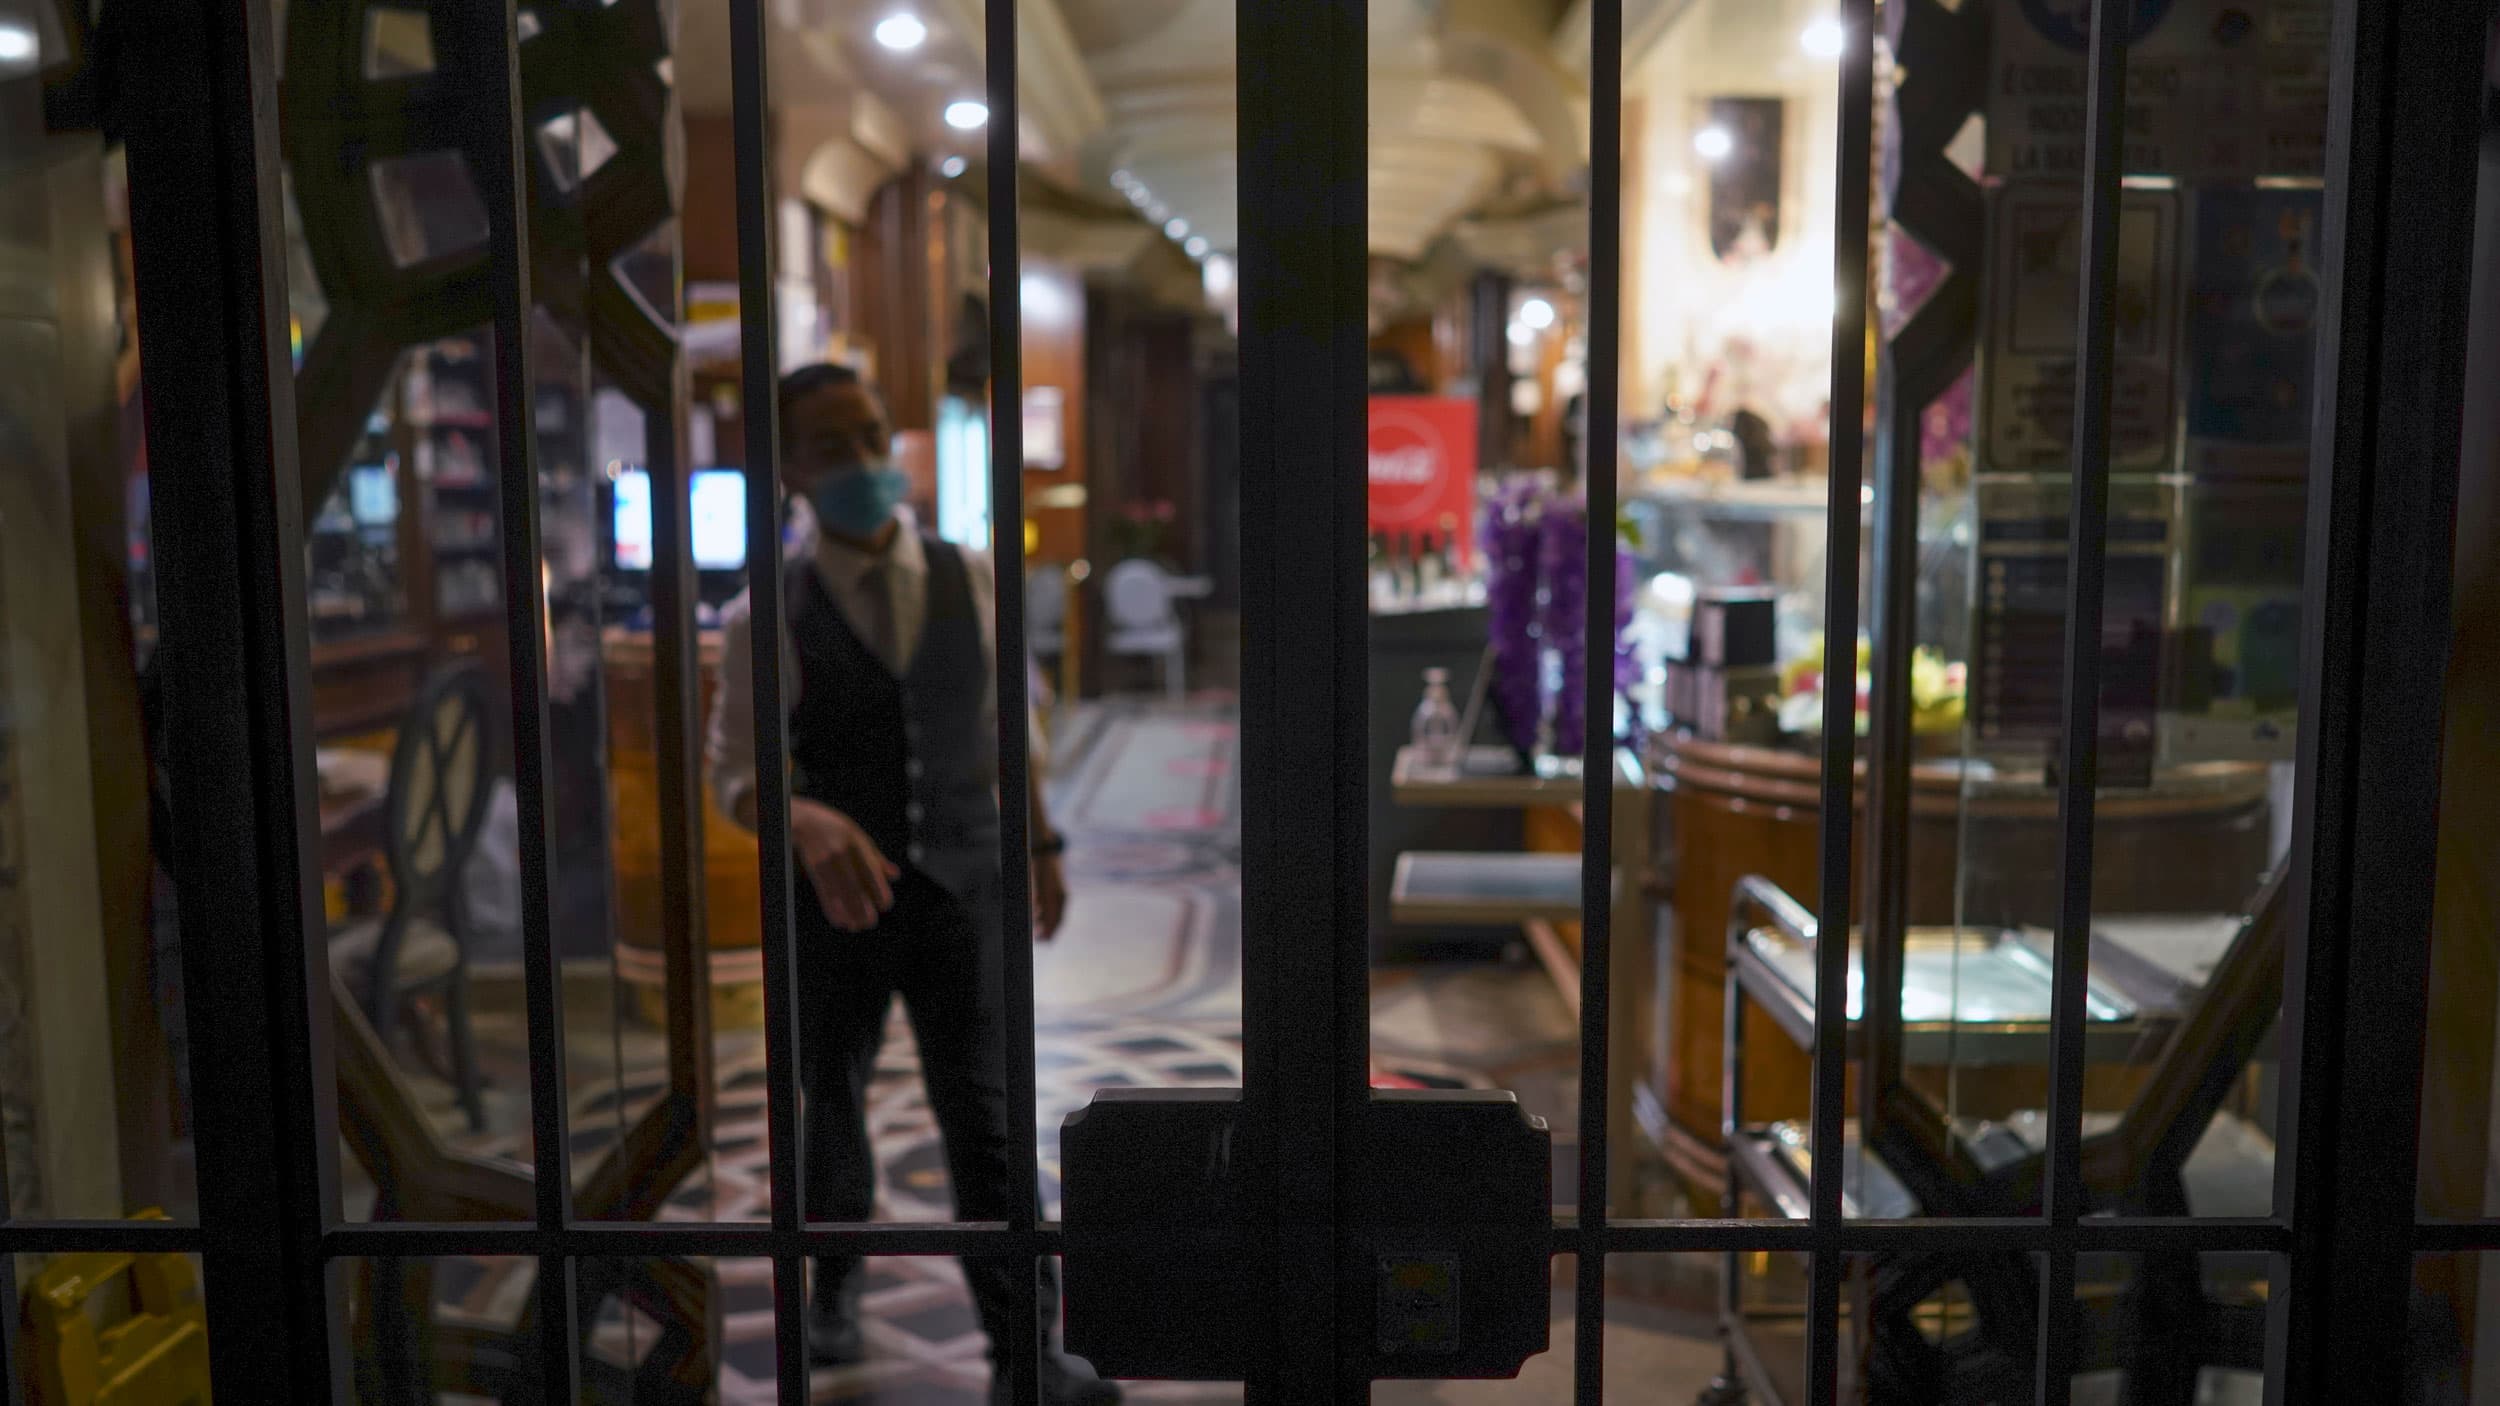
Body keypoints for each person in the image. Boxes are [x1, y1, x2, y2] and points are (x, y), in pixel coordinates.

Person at [709, 363, 1117, 1404]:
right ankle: (833, 1293)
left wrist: (1042, 844)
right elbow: (734, 775)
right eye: (830, 445)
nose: (861, 460)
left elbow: (1009, 724)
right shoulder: (763, 613)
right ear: (790, 469)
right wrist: (801, 816)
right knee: (832, 1100)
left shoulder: (968, 574)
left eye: (871, 435)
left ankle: (1026, 1353)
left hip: (965, 884)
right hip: (834, 901)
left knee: (986, 1116)